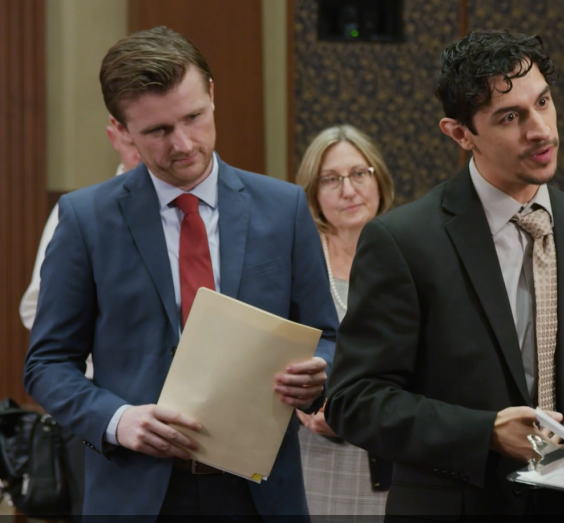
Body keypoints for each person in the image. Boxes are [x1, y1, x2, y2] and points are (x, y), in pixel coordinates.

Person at [325, 30, 564, 518]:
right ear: (460, 134)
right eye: (510, 117)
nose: (541, 130)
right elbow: (355, 401)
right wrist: (485, 431)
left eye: (544, 103)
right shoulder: (403, 240)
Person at [23, 26, 338, 518]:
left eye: (193, 117)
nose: (184, 143)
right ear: (122, 129)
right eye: (158, 131)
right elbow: (46, 365)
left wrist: (319, 371)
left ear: (212, 94)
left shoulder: (283, 208)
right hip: (134, 490)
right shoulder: (86, 219)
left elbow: (330, 336)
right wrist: (117, 419)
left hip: (260, 493)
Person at [17, 123, 140, 518]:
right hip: (99, 410)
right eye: (135, 135)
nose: (147, 146)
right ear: (114, 135)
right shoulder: (83, 212)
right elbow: (36, 309)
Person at [293, 124, 395, 516]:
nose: (348, 190)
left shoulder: (412, 256)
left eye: (359, 174)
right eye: (331, 179)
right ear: (314, 194)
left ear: (378, 179)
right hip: (314, 459)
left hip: (392, 458)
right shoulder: (297, 262)